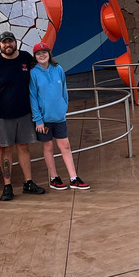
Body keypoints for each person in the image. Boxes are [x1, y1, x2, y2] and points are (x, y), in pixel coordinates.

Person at [0, 31, 46, 200]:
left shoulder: (25, 58)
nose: (7, 45)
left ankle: (28, 182)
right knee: (6, 150)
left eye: (10, 42)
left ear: (15, 42)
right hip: (2, 115)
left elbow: (40, 73)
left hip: (24, 113)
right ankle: (7, 186)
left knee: (24, 147)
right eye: (4, 42)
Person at [29, 41, 89, 190]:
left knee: (65, 145)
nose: (42, 55)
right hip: (44, 120)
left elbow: (64, 89)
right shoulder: (33, 73)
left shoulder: (58, 69)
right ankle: (53, 177)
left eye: (44, 52)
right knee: (48, 147)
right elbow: (33, 97)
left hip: (59, 117)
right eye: (38, 53)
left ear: (49, 54)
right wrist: (38, 120)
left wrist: (64, 106)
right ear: (35, 56)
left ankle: (73, 177)